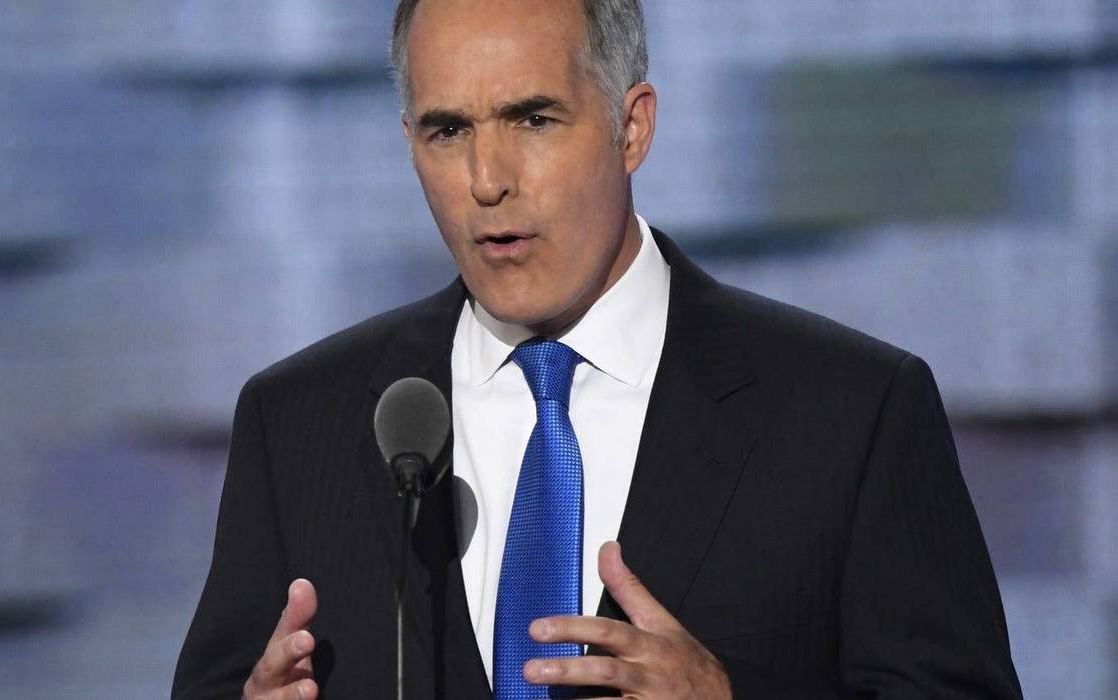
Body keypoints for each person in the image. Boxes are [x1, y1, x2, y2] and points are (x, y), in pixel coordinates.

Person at [173, 0, 1024, 698]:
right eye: (446, 132)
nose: (486, 179)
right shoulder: (300, 423)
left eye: (532, 118)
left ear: (631, 127)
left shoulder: (850, 412)